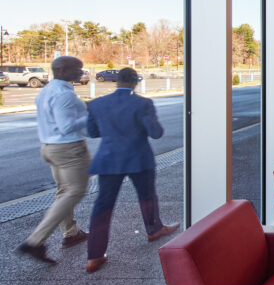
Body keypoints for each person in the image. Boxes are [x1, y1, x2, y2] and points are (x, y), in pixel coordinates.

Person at [83, 67, 179, 273]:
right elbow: (156, 133)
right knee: (147, 197)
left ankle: (94, 256)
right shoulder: (143, 103)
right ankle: (154, 229)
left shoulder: (97, 104)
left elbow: (92, 132)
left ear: (117, 81)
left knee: (103, 206)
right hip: (138, 158)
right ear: (136, 82)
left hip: (108, 159)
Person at [16, 56, 91, 264]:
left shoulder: (47, 91)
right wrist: (91, 116)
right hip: (69, 149)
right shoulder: (63, 95)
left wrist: (85, 106)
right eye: (78, 68)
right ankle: (34, 241)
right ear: (63, 71)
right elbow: (66, 126)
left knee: (64, 191)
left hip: (50, 148)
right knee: (75, 191)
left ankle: (71, 233)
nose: (81, 72)